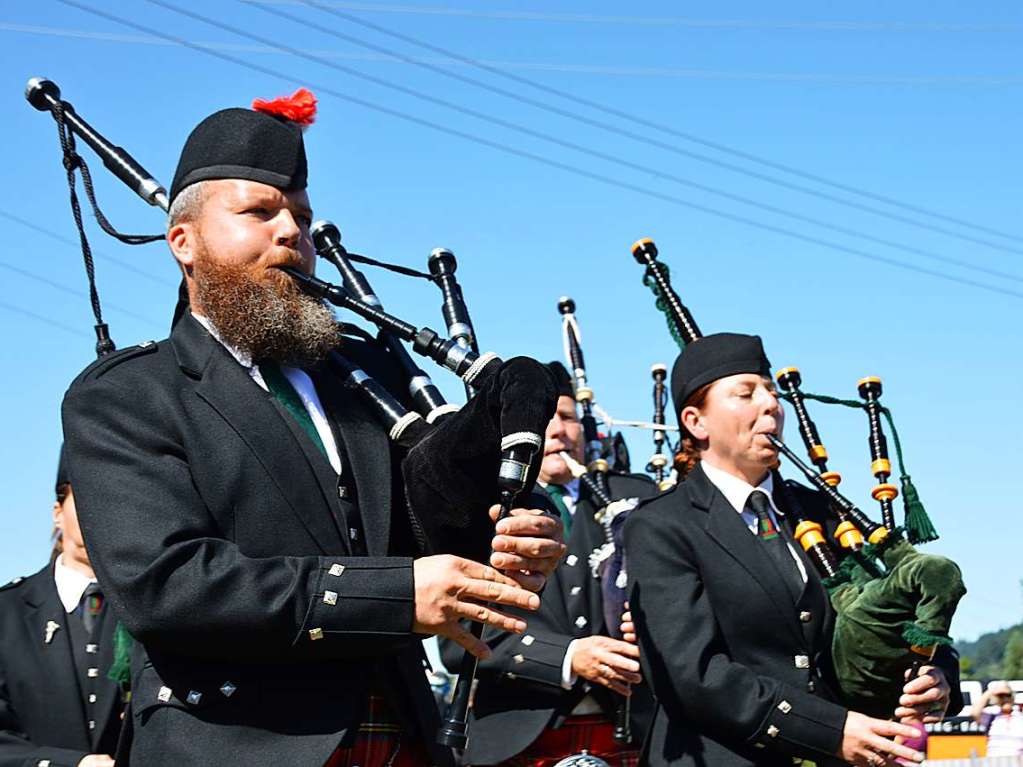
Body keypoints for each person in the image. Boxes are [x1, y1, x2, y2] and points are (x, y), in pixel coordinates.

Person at [60, 90, 564, 767]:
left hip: (403, 734)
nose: (291, 231)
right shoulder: (127, 395)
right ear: (184, 240)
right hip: (233, 747)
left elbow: (418, 521)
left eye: (299, 214)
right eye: (259, 212)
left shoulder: (353, 375)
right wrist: (394, 595)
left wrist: (502, 513)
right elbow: (169, 584)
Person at [623, 332, 954, 767]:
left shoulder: (826, 512)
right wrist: (829, 731)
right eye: (746, 394)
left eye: (771, 392)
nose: (771, 405)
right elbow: (693, 674)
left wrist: (938, 673)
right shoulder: (661, 526)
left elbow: (892, 614)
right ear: (695, 422)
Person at [442, 362, 657, 766]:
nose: (558, 430)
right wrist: (567, 656)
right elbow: (456, 640)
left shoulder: (638, 498)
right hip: (516, 736)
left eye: (569, 417)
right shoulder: (477, 509)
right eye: (546, 419)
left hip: (636, 732)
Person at [0, 447, 124, 767]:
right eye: (85, 495)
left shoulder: (155, 608)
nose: (98, 510)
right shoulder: (6, 612)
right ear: (58, 510)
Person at [970, 681, 1023, 758]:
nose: (1005, 699)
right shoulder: (991, 714)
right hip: (995, 761)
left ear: (1012, 697)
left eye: (1008, 695)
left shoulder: (1020, 714)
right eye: (1000, 696)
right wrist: (991, 691)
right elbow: (974, 713)